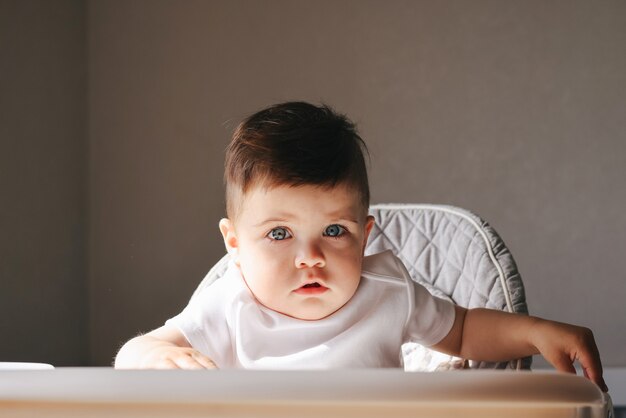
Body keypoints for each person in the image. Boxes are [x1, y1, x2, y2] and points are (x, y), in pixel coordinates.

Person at [114, 101, 608, 392]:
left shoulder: (387, 291)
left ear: (365, 236)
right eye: (279, 234)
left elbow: (463, 332)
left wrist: (539, 332)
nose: (310, 257)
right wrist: (154, 357)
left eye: (334, 231)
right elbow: (136, 351)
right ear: (235, 245)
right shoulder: (228, 304)